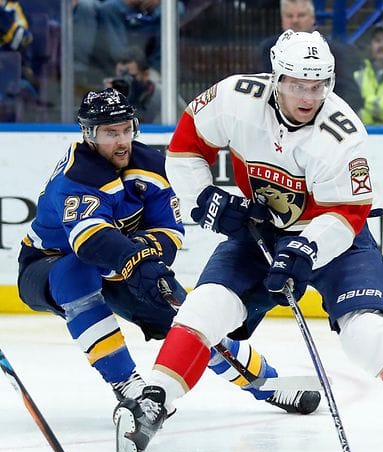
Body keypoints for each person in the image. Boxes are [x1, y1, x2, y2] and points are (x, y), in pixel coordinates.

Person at [119, 31, 383, 452]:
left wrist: (304, 249)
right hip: (262, 230)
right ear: (276, 78)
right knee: (205, 306)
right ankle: (153, 402)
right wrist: (205, 198)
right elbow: (187, 146)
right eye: (298, 85)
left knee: (365, 334)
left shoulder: (341, 134)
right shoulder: (234, 99)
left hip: (337, 238)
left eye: (318, 86)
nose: (308, 96)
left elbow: (346, 213)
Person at [16, 88, 319, 422]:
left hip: (120, 265)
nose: (122, 141)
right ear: (89, 134)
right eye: (110, 133)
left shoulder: (152, 166)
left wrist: (142, 258)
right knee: (78, 272)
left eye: (127, 129)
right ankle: (128, 386)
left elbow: (170, 233)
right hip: (46, 265)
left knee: (193, 319)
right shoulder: (76, 177)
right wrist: (137, 259)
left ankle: (268, 384)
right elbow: (91, 242)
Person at [255, 0, 362, 109]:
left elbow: (351, 95)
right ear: (282, 19)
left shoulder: (332, 51)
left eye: (301, 15)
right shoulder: (268, 49)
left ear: (313, 18)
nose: (295, 20)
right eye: (289, 16)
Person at [106, 48, 160, 124]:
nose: (125, 81)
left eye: (130, 77)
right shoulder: (111, 93)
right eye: (121, 77)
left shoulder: (161, 99)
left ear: (145, 74)